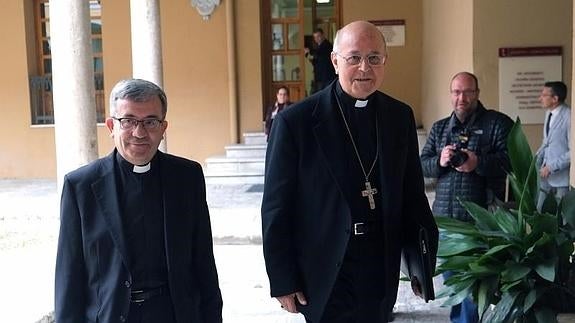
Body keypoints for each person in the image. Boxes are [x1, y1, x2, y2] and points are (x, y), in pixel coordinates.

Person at [262, 20, 438, 323]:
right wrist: (282, 278)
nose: (364, 68)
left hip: (380, 265)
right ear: (334, 61)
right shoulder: (296, 122)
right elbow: (277, 208)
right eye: (353, 58)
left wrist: (421, 265)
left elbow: (413, 196)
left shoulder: (399, 117)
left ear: (385, 61)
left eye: (373, 58)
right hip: (324, 268)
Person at [55, 79, 222, 323]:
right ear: (112, 126)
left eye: (150, 122)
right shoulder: (80, 186)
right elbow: (69, 277)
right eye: (129, 121)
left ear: (163, 128)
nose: (139, 133)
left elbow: (204, 264)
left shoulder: (187, 177)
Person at [420, 72, 514, 323]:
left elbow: (512, 163)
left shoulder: (497, 123)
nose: (461, 98)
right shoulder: (440, 128)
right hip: (446, 220)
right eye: (456, 92)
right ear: (450, 94)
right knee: (454, 283)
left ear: (477, 93)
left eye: (467, 92)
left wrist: (478, 162)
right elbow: (420, 165)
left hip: (482, 219)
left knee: (475, 284)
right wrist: (440, 161)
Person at [536, 81, 571, 211]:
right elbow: (547, 142)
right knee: (539, 211)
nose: (540, 98)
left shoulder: (569, 116)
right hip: (544, 174)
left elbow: (572, 152)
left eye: (544, 95)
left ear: (555, 99)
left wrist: (552, 167)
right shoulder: (549, 113)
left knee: (562, 217)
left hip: (561, 177)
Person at [305, 28, 337, 93]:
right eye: (315, 37)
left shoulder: (327, 45)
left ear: (323, 35)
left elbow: (319, 53)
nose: (317, 39)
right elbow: (317, 59)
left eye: (318, 36)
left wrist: (309, 51)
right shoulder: (319, 46)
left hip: (327, 76)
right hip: (321, 77)